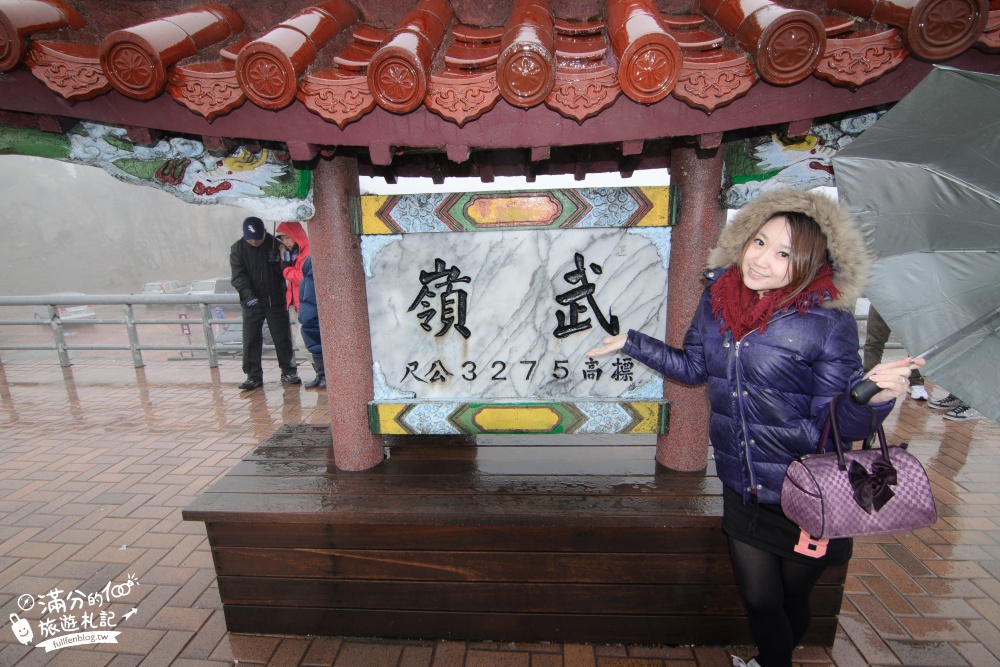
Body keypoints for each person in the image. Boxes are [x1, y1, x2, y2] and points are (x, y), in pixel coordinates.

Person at [586, 189, 920, 667]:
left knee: (791, 599)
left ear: (811, 262)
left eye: (784, 253)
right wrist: (632, 343)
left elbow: (837, 425)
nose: (762, 260)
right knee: (761, 600)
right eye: (758, 242)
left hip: (809, 490)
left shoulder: (826, 321)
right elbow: (695, 368)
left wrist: (874, 397)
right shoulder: (717, 300)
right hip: (743, 482)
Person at [230, 216, 300, 390]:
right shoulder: (237, 249)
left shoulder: (277, 245)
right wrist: (248, 296)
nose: (254, 241)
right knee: (251, 338)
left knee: (282, 337)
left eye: (257, 237)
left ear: (265, 232)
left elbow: (289, 268)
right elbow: (238, 276)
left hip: (275, 299)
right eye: (250, 238)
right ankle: (253, 375)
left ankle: (288, 371)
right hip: (251, 302)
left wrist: (281, 261)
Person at [863, 304, 928, 400]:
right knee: (874, 342)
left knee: (916, 343)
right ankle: (869, 381)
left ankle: (915, 381)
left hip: (911, 300)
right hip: (882, 298)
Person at [297, 255, 325, 389]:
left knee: (312, 343)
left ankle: (324, 375)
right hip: (308, 315)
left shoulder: (314, 261)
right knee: (306, 344)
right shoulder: (311, 261)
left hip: (312, 317)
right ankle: (321, 375)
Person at [275, 221, 310, 314]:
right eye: (282, 239)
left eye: (287, 237)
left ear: (296, 236)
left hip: (307, 305)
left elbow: (302, 278)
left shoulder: (307, 253)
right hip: (301, 304)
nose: (285, 242)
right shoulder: (295, 253)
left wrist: (286, 268)